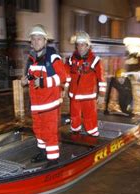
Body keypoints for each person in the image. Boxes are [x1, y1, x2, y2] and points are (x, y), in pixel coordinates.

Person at [21, 24, 67, 166]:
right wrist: (25, 79)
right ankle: (43, 153)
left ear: (45, 41)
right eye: (33, 39)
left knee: (49, 132)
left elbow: (63, 77)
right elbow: (31, 76)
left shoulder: (53, 57)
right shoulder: (31, 58)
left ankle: (53, 159)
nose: (36, 42)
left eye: (39, 39)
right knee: (39, 131)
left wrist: (44, 82)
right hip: (36, 105)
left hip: (50, 105)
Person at [65, 31, 106, 136]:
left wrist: (101, 95)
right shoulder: (71, 60)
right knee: (74, 117)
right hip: (74, 96)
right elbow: (66, 75)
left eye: (82, 44)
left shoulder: (95, 60)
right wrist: (63, 88)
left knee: (90, 117)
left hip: (88, 97)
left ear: (88, 46)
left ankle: (93, 136)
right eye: (78, 44)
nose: (80, 47)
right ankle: (75, 133)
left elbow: (101, 79)